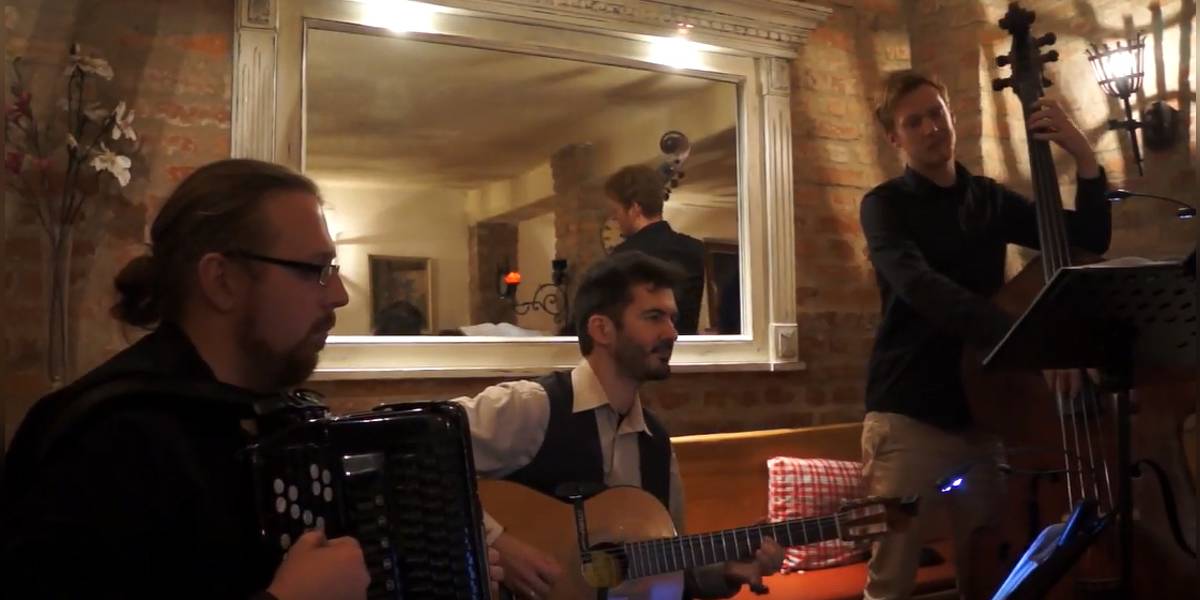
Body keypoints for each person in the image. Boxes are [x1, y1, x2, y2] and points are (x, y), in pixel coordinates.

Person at [2, 159, 499, 598]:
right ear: (223, 280)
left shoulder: (279, 420)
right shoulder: (106, 442)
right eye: (315, 269)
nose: (339, 296)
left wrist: (456, 552)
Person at [858, 70, 1112, 599]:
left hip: (985, 413)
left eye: (936, 114)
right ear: (894, 138)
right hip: (909, 416)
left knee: (993, 575)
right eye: (914, 122)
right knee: (891, 584)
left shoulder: (987, 199)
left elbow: (1089, 236)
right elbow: (924, 289)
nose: (931, 128)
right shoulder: (884, 206)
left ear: (951, 114)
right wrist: (1032, 344)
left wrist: (1084, 156)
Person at [454, 250, 783, 599]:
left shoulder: (654, 444)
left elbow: (664, 569)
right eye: (654, 317)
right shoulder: (534, 406)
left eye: (672, 318)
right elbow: (417, 450)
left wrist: (727, 570)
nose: (672, 332)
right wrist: (495, 543)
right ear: (602, 329)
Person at [606, 164, 706, 335]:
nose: (615, 217)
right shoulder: (695, 249)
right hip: (687, 348)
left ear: (635, 208)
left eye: (616, 210)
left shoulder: (623, 258)